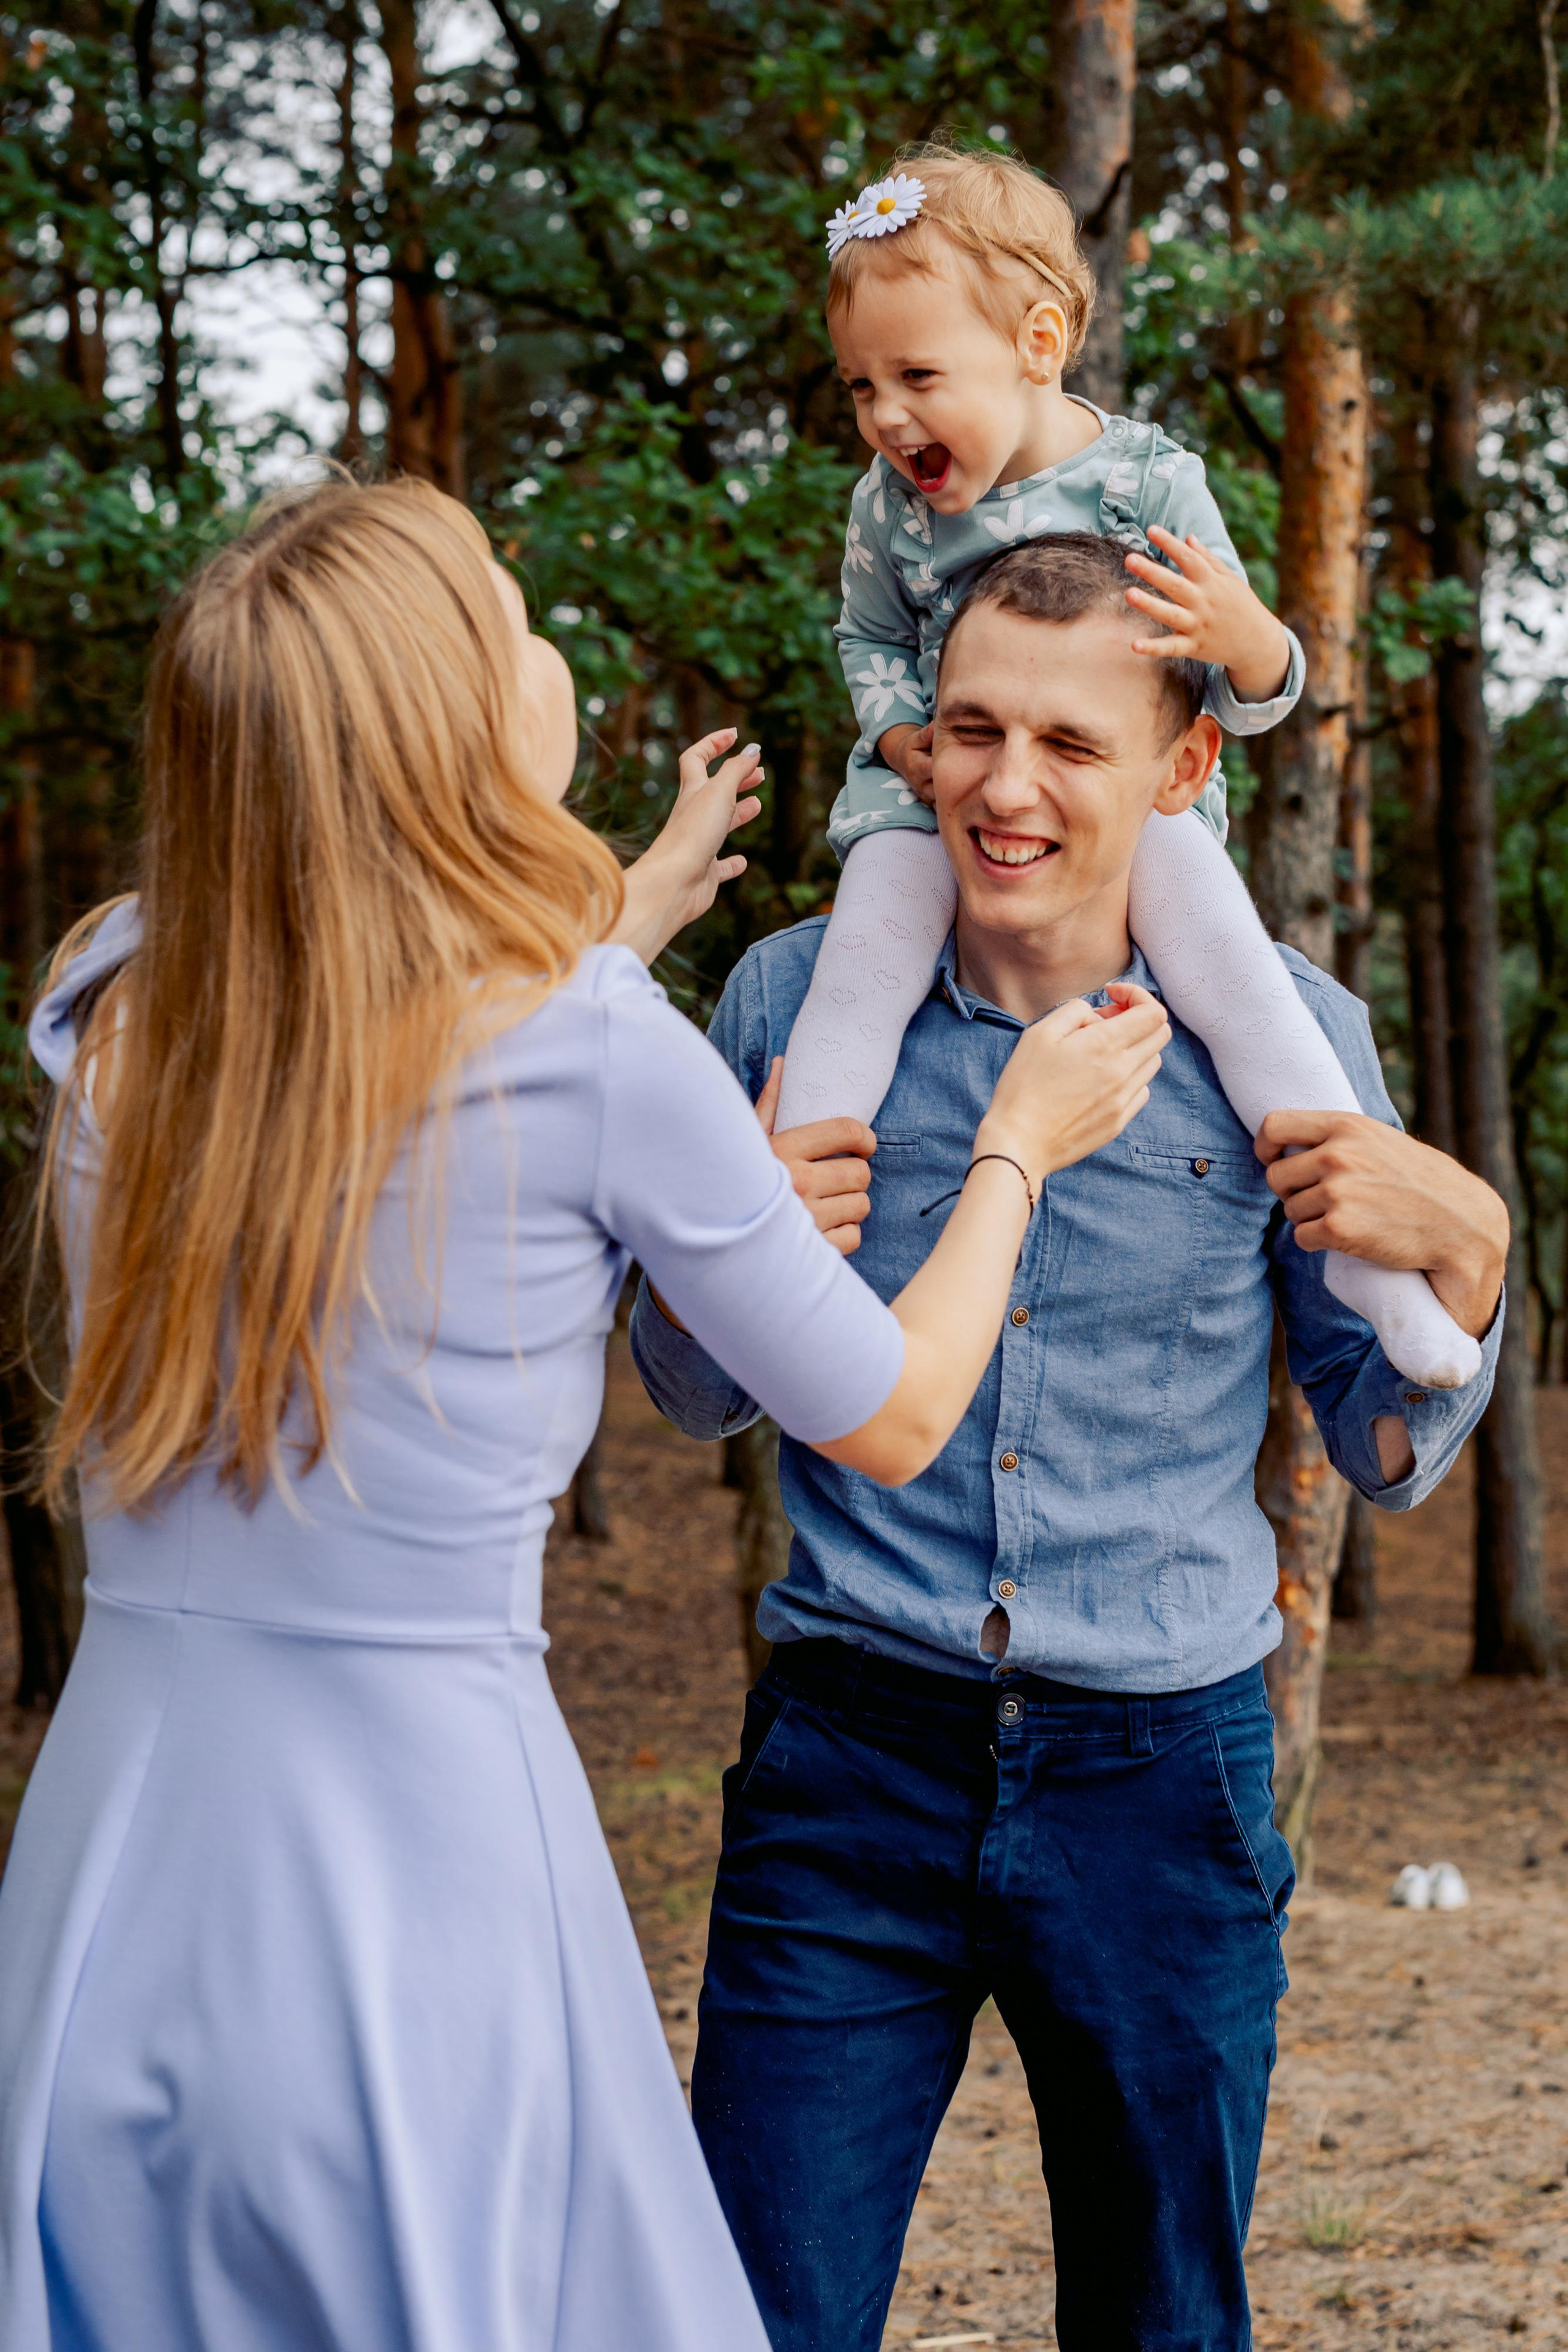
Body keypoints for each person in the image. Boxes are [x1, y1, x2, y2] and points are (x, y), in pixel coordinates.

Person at [0, 480, 1173, 2352]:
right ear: (450, 719)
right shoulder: (598, 1046)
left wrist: (625, 903)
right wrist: (1018, 1148)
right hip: (412, 1856)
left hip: (114, 1853)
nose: (543, 640)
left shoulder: (119, 1002)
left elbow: (369, 1018)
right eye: (508, 608)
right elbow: (890, 1413)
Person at [630, 532, 1509, 2352]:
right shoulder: (794, 1009)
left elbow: (1384, 1452)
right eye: (971, 731)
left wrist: (1475, 1266)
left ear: (1184, 769)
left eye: (1069, 744)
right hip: (849, 1757)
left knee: (1163, 2321)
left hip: (1161, 1782)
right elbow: (693, 1396)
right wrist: (725, 1268)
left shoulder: (1292, 1046)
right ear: (922, 740)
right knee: (754, 2314)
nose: (1004, 789)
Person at [775, 139, 1480, 1391]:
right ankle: (779, 1242)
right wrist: (897, 737)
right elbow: (867, 639)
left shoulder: (1147, 483)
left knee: (1248, 998)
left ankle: (1383, 1280)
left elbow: (1256, 691)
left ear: (1038, 345)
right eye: (860, 386)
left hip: (1129, 816)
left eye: (917, 377)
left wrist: (1244, 638)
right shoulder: (884, 506)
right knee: (854, 978)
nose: (885, 418)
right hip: (928, 787)